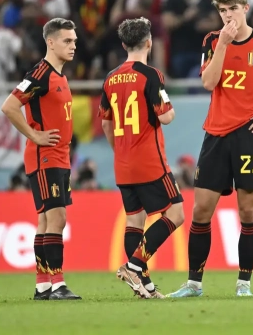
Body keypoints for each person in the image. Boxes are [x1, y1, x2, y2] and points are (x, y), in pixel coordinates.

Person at [166, 0, 253, 298]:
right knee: (201, 210)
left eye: (233, 9)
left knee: (247, 212)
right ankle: (194, 284)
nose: (228, 16)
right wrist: (224, 45)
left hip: (249, 135)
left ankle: (244, 284)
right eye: (223, 11)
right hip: (216, 133)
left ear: (245, 8)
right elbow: (208, 82)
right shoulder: (212, 41)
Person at [98, 17, 185, 299]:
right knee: (176, 214)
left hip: (123, 162)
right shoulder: (151, 75)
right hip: (149, 160)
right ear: (149, 42)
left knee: (135, 221)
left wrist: (120, 151)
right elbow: (167, 117)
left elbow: (106, 124)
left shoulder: (110, 78)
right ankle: (134, 266)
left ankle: (144, 286)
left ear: (124, 45)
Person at [0, 18, 81, 301]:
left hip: (59, 156)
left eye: (74, 41)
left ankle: (43, 285)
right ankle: (58, 284)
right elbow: (10, 106)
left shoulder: (59, 75)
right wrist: (34, 135)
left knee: (46, 220)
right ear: (51, 42)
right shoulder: (40, 74)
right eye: (67, 41)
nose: (73, 46)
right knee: (57, 218)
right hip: (45, 157)